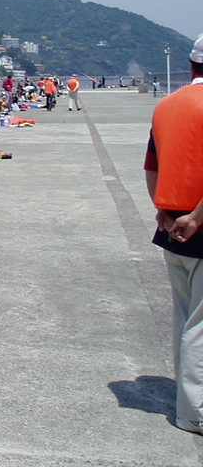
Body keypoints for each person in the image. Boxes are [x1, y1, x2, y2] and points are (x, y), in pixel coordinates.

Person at [144, 33, 203, 434]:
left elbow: (152, 167)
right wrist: (197, 216)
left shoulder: (167, 105)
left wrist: (164, 212)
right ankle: (195, 412)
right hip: (199, 224)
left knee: (185, 318)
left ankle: (188, 402)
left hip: (171, 226)